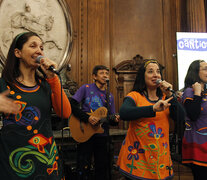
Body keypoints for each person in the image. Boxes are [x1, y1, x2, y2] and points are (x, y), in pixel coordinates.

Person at [0, 31, 71, 179]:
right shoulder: (4, 84)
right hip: (13, 160)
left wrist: (53, 79)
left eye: (41, 47)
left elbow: (65, 113)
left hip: (46, 159)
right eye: (33, 46)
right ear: (18, 53)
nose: (39, 50)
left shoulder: (46, 84)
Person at [117, 59, 185, 180]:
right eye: (150, 71)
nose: (155, 75)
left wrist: (170, 95)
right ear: (143, 76)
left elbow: (181, 117)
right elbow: (124, 113)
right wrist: (152, 109)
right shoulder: (134, 96)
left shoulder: (166, 97)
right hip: (138, 158)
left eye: (158, 71)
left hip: (160, 159)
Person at [70, 65, 119, 180]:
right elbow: (72, 105)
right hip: (84, 133)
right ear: (94, 76)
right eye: (102, 73)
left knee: (102, 167)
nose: (105, 75)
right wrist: (87, 118)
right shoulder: (85, 88)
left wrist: (115, 120)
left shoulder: (109, 96)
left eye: (107, 73)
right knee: (83, 165)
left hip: (102, 135)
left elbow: (111, 119)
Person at [181, 60, 207, 180]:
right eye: (205, 69)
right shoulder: (189, 91)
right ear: (196, 72)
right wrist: (197, 93)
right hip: (198, 146)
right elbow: (193, 115)